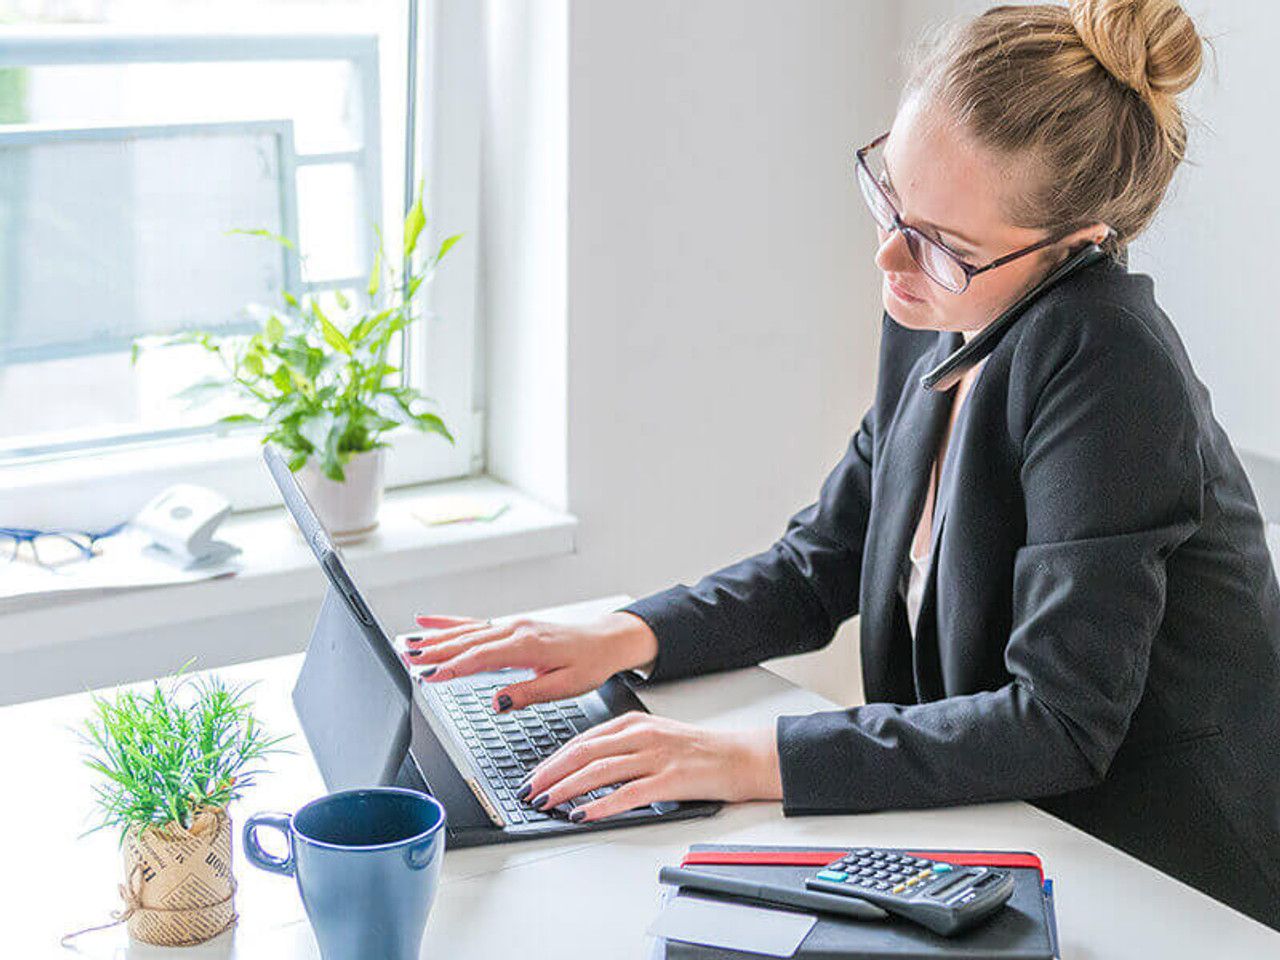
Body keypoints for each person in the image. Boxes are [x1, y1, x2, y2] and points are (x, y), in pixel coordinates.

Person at [407, 0, 1280, 931]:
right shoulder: (945, 309)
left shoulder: (1111, 364)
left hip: (1169, 877)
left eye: (944, 243)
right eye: (892, 195)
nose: (890, 253)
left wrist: (737, 758)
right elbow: (821, 560)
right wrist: (615, 637)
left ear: (1077, 246)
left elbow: (1057, 720)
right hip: (1018, 835)